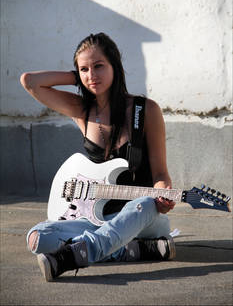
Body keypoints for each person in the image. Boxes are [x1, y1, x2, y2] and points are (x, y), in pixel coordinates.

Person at [20, 32, 176, 282]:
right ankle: (128, 251)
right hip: (95, 219)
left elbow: (160, 174)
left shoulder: (145, 110)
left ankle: (73, 257)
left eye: (99, 66)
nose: (92, 75)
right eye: (84, 69)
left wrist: (163, 193)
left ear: (116, 66)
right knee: (37, 237)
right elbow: (30, 81)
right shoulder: (81, 110)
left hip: (140, 217)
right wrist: (78, 78)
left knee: (144, 203)